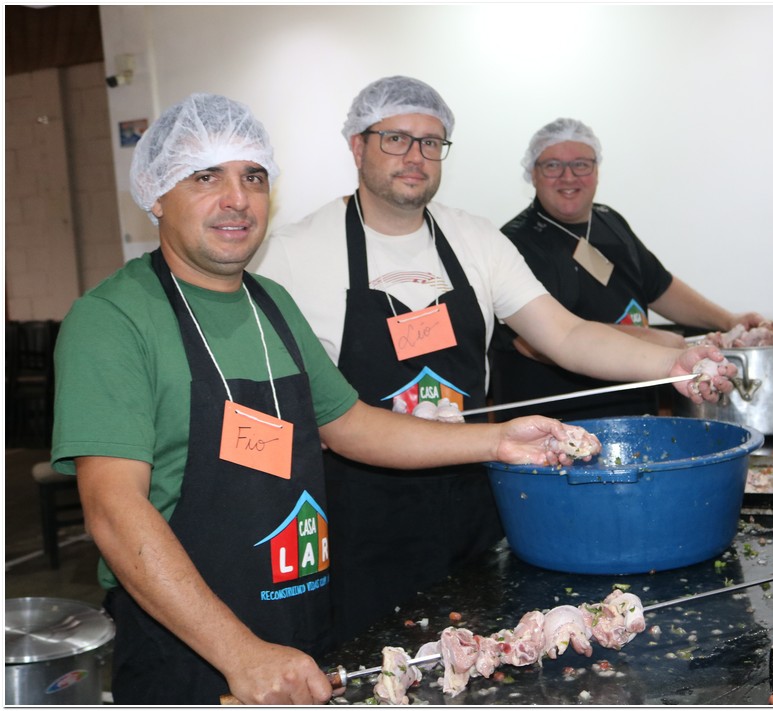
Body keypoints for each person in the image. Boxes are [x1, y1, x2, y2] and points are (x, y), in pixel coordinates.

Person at [50, 93, 602, 706]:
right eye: (206, 177)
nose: (237, 198)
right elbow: (113, 511)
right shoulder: (113, 320)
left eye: (253, 177)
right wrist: (239, 653)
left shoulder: (270, 303)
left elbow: (353, 425)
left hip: (300, 621)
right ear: (156, 194)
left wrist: (498, 440)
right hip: (193, 647)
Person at [251, 76, 736, 642]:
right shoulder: (295, 254)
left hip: (472, 504)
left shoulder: (474, 239)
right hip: (365, 515)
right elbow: (294, 409)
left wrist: (670, 365)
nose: (415, 156)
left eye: (431, 142)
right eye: (395, 139)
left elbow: (566, 334)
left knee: (484, 656)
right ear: (357, 146)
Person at [490, 117, 765, 421]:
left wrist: (729, 320)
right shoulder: (515, 242)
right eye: (552, 165)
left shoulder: (609, 220)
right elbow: (540, 340)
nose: (568, 177)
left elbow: (660, 287)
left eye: (581, 164)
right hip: (556, 422)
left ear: (596, 170)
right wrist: (650, 343)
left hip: (634, 413)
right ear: (532, 173)